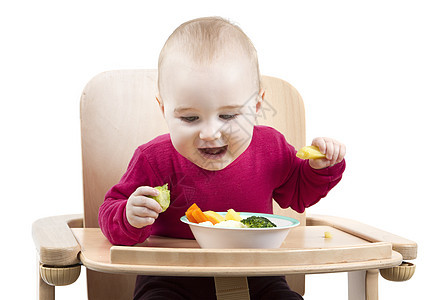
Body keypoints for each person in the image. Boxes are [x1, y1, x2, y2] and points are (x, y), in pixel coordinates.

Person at [99, 16, 346, 300]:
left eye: (228, 116)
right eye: (190, 117)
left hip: (258, 276)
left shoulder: (271, 148)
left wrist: (321, 168)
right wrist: (128, 215)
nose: (209, 133)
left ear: (256, 105)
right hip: (171, 278)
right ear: (164, 109)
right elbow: (109, 212)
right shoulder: (153, 159)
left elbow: (300, 194)